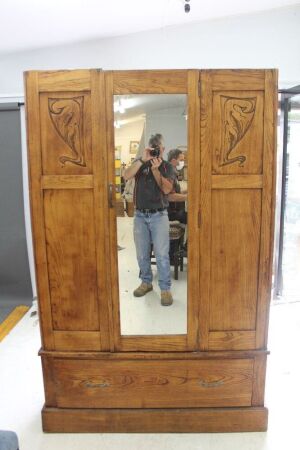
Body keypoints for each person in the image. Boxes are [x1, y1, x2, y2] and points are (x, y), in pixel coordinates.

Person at [124, 134, 176, 306]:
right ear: (148, 148)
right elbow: (126, 175)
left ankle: (165, 289)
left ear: (163, 149)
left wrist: (155, 170)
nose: (155, 151)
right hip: (140, 216)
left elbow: (167, 189)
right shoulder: (141, 163)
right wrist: (141, 160)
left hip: (159, 216)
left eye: (157, 148)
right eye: (152, 147)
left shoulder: (167, 166)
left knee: (161, 255)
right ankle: (146, 282)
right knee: (141, 253)